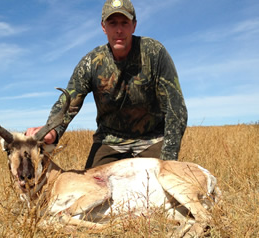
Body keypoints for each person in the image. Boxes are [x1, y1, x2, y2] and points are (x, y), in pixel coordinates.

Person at [26, 0, 188, 169]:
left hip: (151, 139)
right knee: (90, 188)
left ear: (134, 26)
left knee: (159, 188)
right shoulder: (91, 62)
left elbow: (175, 108)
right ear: (104, 27)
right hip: (109, 141)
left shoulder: (154, 53)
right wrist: (52, 130)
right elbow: (70, 101)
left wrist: (169, 161)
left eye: (124, 23)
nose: (119, 30)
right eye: (112, 23)